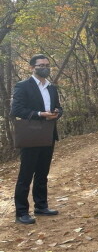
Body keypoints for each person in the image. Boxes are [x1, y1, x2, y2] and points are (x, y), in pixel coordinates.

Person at [10, 54, 62, 224]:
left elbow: (59, 108)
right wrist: (40, 114)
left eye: (47, 64)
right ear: (32, 67)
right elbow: (17, 110)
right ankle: (21, 212)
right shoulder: (23, 86)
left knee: (42, 173)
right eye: (41, 65)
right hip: (31, 135)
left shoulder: (51, 88)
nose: (45, 67)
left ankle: (41, 206)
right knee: (26, 174)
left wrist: (57, 113)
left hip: (48, 134)